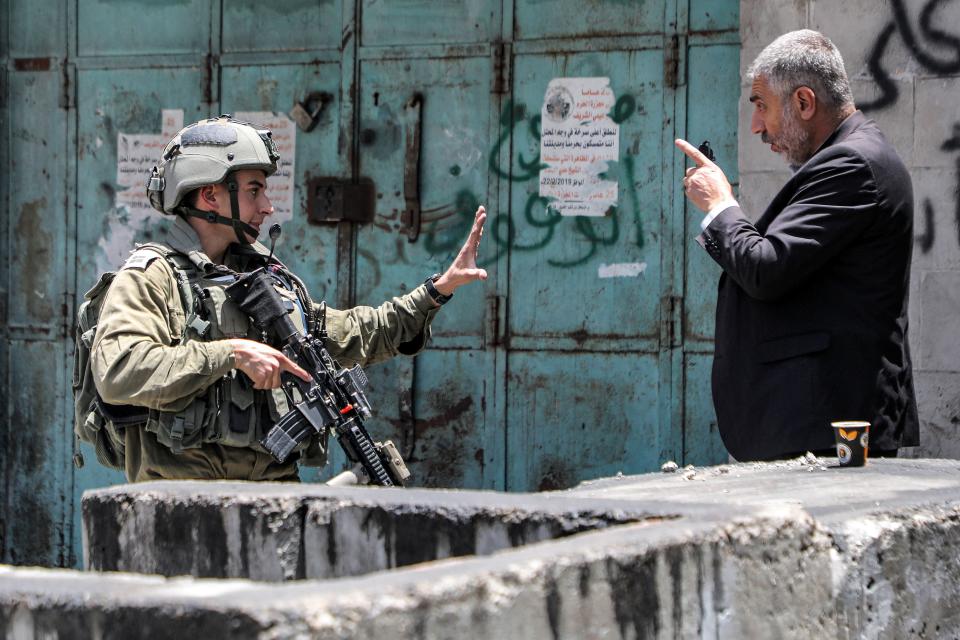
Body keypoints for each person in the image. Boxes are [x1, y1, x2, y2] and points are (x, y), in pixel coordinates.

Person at [91, 115, 487, 482]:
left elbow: (354, 333)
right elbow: (119, 372)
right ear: (210, 195)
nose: (268, 206)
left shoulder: (268, 283)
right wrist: (231, 354)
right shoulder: (153, 279)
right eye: (253, 191)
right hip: (184, 506)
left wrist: (437, 290)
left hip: (274, 500)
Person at [675, 30, 918, 461]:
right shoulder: (851, 157)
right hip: (818, 420)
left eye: (762, 106)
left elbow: (766, 269)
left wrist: (719, 206)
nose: (755, 126)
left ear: (804, 103)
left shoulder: (853, 163)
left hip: (828, 423)